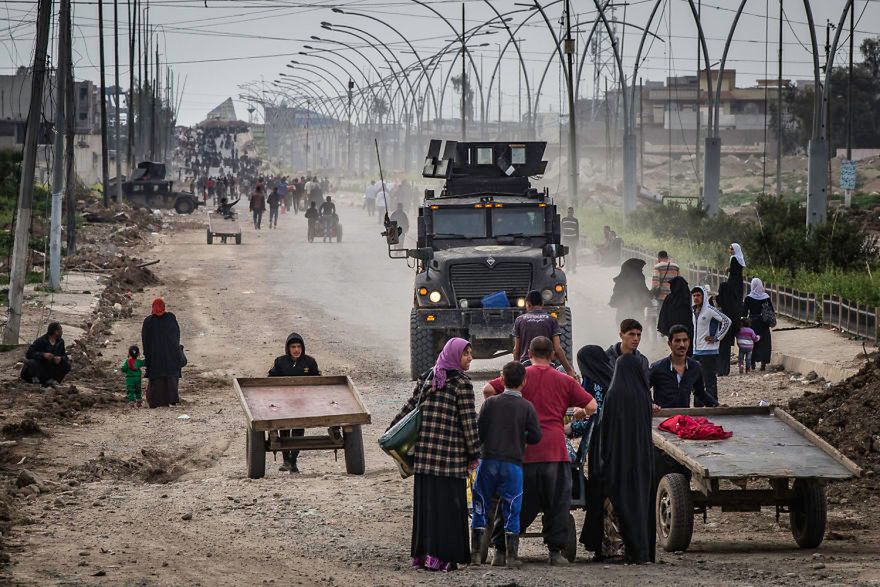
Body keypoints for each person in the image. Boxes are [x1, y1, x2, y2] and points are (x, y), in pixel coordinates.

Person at [483, 336, 597, 566]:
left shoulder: (521, 376)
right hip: (555, 451)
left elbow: (487, 389)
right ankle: (555, 553)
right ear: (553, 355)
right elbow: (592, 406)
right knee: (557, 504)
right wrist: (578, 414)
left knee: (513, 501)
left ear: (529, 354)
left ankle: (501, 551)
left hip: (522, 451)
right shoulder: (564, 380)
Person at [389, 338, 480, 572]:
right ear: (454, 355)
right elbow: (468, 423)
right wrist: (474, 453)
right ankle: (440, 558)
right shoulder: (461, 384)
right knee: (448, 510)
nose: (470, 358)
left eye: (470, 353)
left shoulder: (429, 377)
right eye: (466, 354)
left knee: (427, 509)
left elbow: (410, 408)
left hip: (424, 460)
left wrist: (391, 431)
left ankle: (422, 555)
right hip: (449, 462)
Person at [581, 353, 656, 564]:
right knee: (639, 505)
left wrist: (603, 462)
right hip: (641, 462)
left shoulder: (614, 394)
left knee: (614, 505)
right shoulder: (643, 396)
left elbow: (607, 433)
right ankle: (641, 551)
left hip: (618, 463)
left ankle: (616, 550)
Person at [470, 361, 542, 568]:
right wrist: (520, 436)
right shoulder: (527, 407)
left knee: (481, 505)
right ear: (524, 382)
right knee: (512, 508)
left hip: (488, 463)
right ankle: (510, 557)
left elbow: (479, 432)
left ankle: (476, 555)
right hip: (512, 465)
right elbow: (536, 436)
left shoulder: (490, 404)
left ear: (501, 380)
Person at [268, 333, 320, 472]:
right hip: (283, 403)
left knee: (298, 432)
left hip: (302, 404)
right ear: (288, 348)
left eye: (298, 346)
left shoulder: (310, 362)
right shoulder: (280, 362)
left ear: (302, 348)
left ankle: (293, 461)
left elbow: (319, 381)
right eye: (293, 347)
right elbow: (270, 380)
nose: (296, 350)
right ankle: (286, 461)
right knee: (284, 430)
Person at [650, 324, 717, 410]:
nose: (682, 344)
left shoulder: (695, 367)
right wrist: (651, 404)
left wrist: (716, 405)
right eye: (677, 341)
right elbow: (643, 389)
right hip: (663, 418)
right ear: (670, 344)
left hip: (685, 419)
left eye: (684, 340)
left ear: (689, 342)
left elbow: (700, 392)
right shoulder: (657, 368)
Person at [512, 290, 576, 378]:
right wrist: (569, 370)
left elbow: (516, 349)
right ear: (542, 304)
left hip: (526, 365)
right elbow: (558, 348)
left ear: (528, 304)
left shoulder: (520, 320)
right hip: (547, 365)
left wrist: (517, 369)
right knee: (562, 369)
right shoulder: (551, 320)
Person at [691, 286, 731, 406]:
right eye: (694, 296)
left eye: (698, 295)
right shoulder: (694, 311)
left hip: (709, 351)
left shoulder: (709, 309)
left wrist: (717, 338)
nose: (696, 298)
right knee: (697, 380)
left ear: (703, 296)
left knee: (709, 380)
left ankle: (713, 404)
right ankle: (699, 405)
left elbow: (727, 321)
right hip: (697, 351)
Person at [141, 298, 182, 409]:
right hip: (170, 355)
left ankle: (157, 402)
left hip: (155, 356)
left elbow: (145, 340)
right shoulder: (171, 318)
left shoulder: (148, 321)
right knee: (171, 377)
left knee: (157, 379)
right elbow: (176, 336)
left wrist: (147, 355)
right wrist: (176, 351)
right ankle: (171, 401)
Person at [21, 322, 71, 386]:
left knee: (66, 365)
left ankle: (53, 380)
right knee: (32, 362)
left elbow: (64, 356)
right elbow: (29, 353)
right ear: (56, 332)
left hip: (51, 367)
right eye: (60, 330)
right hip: (40, 365)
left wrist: (60, 359)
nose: (62, 331)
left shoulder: (60, 342)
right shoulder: (41, 341)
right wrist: (43, 355)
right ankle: (36, 379)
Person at [609, 258, 652, 324]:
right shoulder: (639, 277)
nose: (642, 270)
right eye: (641, 268)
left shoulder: (621, 278)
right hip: (636, 310)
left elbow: (616, 293)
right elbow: (643, 291)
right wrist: (652, 293)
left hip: (622, 311)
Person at [743, 278, 774, 371]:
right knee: (764, 342)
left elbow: (744, 312)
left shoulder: (748, 298)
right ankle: (763, 363)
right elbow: (771, 310)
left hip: (752, 323)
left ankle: (752, 363)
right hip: (763, 323)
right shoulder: (766, 297)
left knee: (752, 343)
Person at [715, 281, 742, 377]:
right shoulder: (733, 302)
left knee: (717, 349)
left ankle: (718, 369)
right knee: (726, 350)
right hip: (728, 329)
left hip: (717, 329)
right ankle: (725, 370)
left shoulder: (717, 299)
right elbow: (736, 316)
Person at [657, 276, 692, 342]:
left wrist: (663, 328)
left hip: (673, 329)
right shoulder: (688, 297)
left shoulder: (670, 298)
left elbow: (664, 314)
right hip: (687, 330)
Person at [560, 207, 580, 272]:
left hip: (573, 239)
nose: (569, 213)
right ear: (567, 212)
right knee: (566, 254)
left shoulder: (575, 220)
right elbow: (561, 230)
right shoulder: (564, 220)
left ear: (573, 212)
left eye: (571, 212)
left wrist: (577, 240)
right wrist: (561, 239)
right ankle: (567, 268)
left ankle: (573, 268)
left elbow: (577, 231)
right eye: (568, 212)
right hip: (566, 239)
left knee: (573, 254)